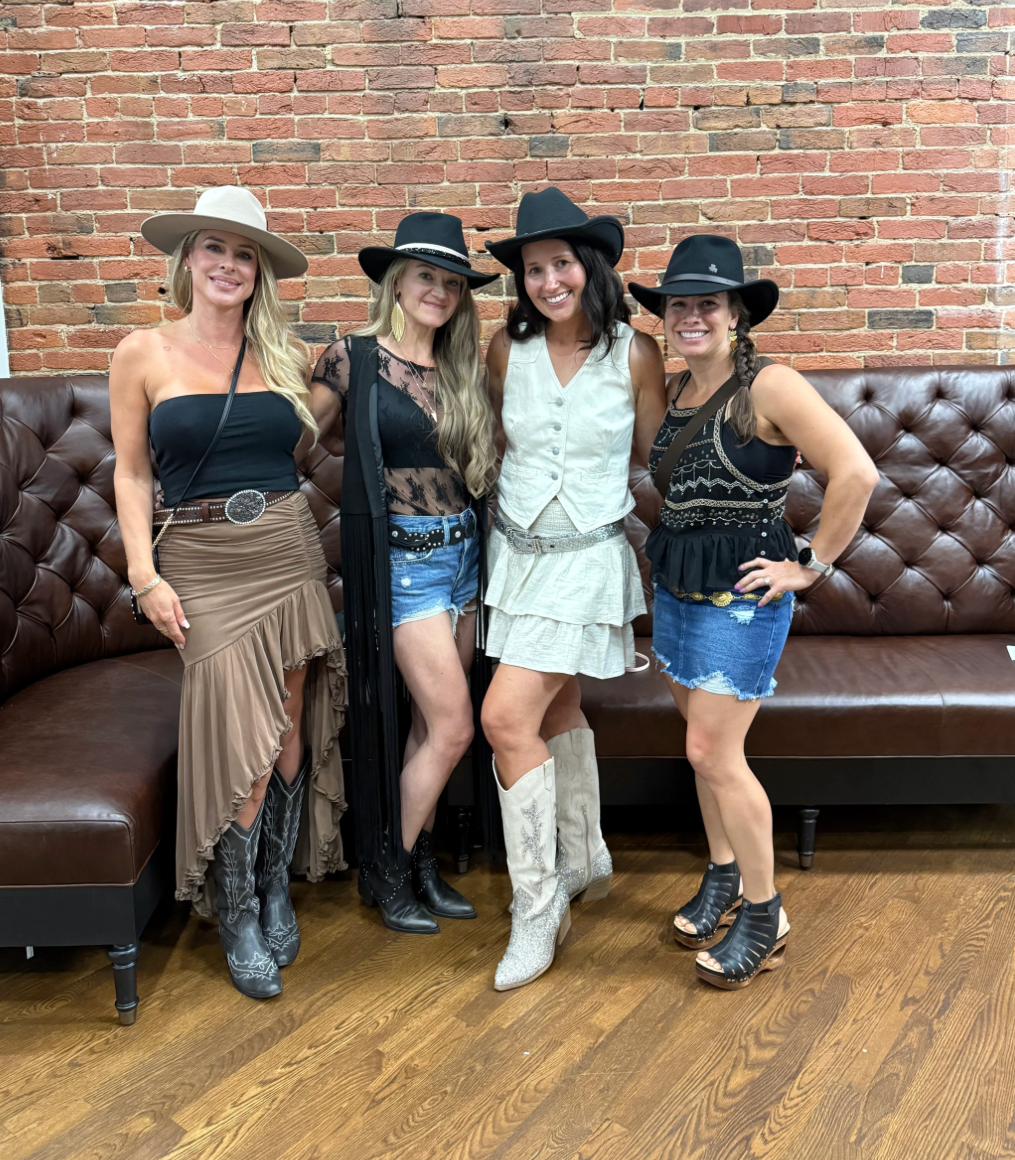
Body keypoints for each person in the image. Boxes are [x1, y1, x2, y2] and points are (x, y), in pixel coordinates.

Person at [111, 186, 347, 1000]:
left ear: (260, 272)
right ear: (188, 259)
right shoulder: (142, 352)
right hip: (201, 560)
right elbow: (131, 473)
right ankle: (236, 908)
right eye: (214, 247)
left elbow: (321, 429)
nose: (228, 264)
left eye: (245, 254)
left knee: (286, 719)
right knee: (242, 730)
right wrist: (143, 576)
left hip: (285, 546)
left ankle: (276, 882)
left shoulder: (284, 353)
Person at [629, 234, 878, 989]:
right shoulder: (675, 390)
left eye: (708, 303)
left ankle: (766, 916)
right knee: (700, 748)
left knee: (713, 752)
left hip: (742, 593)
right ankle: (724, 874)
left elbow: (856, 473)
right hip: (676, 584)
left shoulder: (771, 385)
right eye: (679, 304)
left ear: (737, 313)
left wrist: (811, 566)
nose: (691, 316)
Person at [480, 187, 667, 991]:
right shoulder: (504, 350)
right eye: (533, 269)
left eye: (561, 264)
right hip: (516, 554)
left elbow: (660, 457)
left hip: (589, 558)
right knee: (555, 709)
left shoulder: (635, 353)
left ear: (590, 266)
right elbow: (499, 444)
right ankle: (584, 853)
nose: (548, 281)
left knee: (503, 719)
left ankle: (538, 906)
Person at [311, 212, 500, 934]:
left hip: (465, 560)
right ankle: (384, 868)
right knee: (454, 727)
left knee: (428, 723)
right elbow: (297, 445)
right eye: (426, 276)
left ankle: (418, 862)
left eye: (452, 282)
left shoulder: (459, 367)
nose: (440, 292)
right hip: (405, 565)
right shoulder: (351, 358)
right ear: (396, 281)